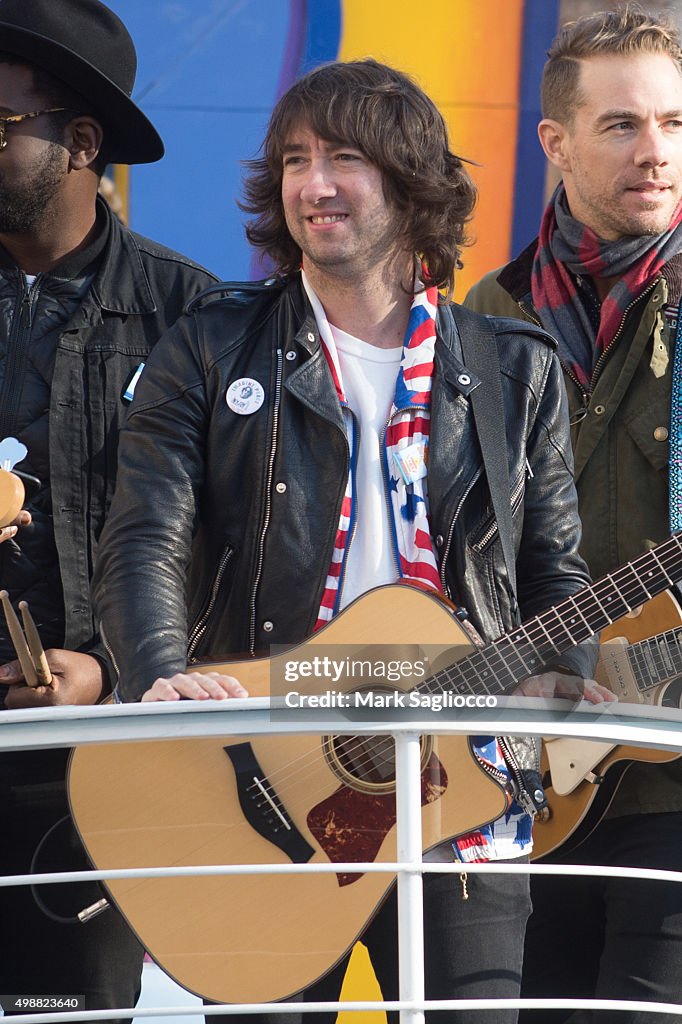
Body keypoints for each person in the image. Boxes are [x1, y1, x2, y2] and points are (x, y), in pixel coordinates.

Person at [92, 58, 604, 1024]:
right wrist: (162, 675)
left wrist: (562, 674)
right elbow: (144, 540)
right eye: (294, 159)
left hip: (466, 793)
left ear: (412, 185)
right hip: (266, 782)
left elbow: (552, 575)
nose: (311, 184)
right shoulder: (208, 346)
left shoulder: (515, 369)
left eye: (345, 159)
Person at [0, 0, 218, 1018]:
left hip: (104, 776)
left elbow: (245, 551)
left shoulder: (198, 318)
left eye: (0, 121)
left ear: (82, 143)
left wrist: (113, 670)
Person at [464, 7, 682, 1022]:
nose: (655, 153)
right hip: (514, 777)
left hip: (672, 772)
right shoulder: (480, 319)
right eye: (623, 125)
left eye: (674, 125)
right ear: (553, 141)